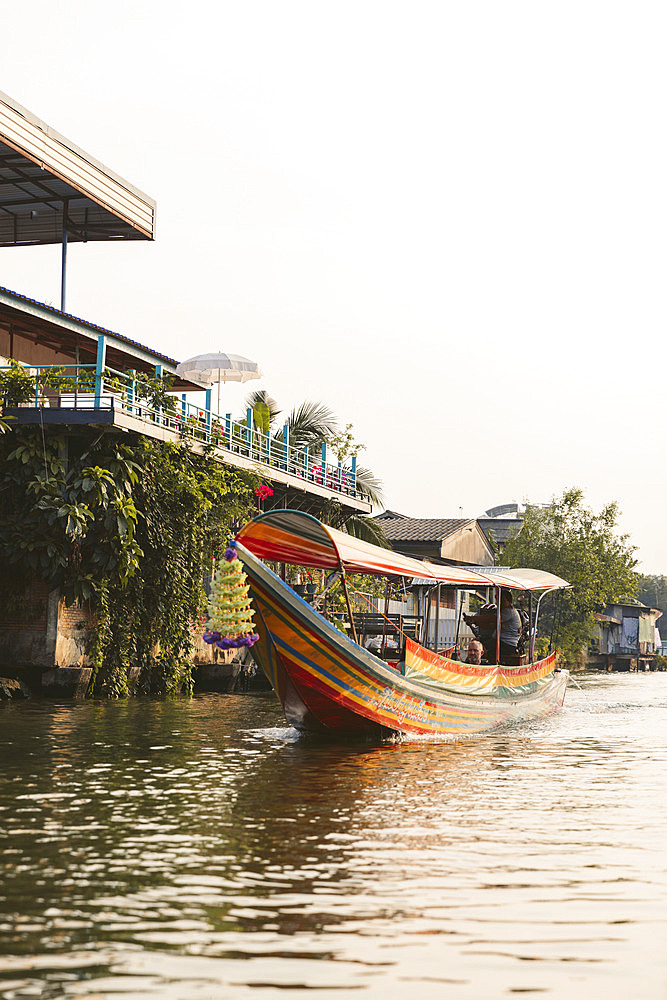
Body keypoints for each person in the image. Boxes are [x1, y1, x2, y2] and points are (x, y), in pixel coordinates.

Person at [464, 590, 522, 664]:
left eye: (502, 601)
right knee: (475, 642)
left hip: (506, 644)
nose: (499, 603)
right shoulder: (502, 611)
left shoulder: (509, 612)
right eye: (498, 601)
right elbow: (490, 625)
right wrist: (475, 622)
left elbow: (491, 618)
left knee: (478, 646)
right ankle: (469, 663)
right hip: (499, 641)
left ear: (509, 601)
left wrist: (473, 618)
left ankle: (476, 665)